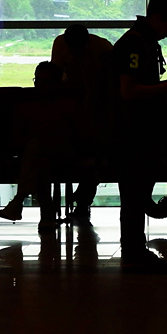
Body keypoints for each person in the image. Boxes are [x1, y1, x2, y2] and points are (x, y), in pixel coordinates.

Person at [112, 0, 167, 273]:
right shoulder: (135, 45)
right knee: (135, 194)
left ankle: (134, 249)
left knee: (137, 193)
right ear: (159, 18)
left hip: (136, 130)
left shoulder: (141, 41)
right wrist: (166, 88)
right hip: (133, 131)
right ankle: (134, 251)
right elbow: (128, 90)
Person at [0, 61, 82, 232]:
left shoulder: (68, 105)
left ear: (57, 82)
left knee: (38, 147)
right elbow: (15, 138)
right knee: (42, 162)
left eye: (47, 81)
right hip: (41, 155)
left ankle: (21, 200)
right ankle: (46, 215)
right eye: (39, 81)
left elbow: (78, 135)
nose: (42, 86)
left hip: (62, 152)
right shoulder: (27, 107)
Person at [51, 24, 113, 219]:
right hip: (78, 104)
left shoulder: (103, 49)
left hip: (98, 106)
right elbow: (55, 77)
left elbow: (110, 82)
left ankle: (84, 197)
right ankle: (83, 199)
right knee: (94, 153)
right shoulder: (63, 44)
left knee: (95, 151)